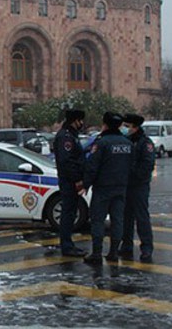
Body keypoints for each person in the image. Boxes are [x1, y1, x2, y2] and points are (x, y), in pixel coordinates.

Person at [81, 112, 133, 265]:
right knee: (117, 220)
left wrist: (86, 184)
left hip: (103, 188)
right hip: (121, 187)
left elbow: (92, 166)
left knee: (98, 220)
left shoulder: (102, 143)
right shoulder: (127, 143)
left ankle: (97, 253)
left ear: (105, 124)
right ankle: (114, 252)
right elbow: (132, 166)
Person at [119, 114, 156, 263]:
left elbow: (147, 165)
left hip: (139, 186)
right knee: (126, 217)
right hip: (126, 185)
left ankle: (146, 247)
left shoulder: (145, 143)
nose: (125, 128)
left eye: (127, 126)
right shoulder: (126, 142)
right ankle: (126, 245)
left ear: (135, 127)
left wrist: (133, 176)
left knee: (141, 217)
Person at [53, 109, 87, 257]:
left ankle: (68, 244)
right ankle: (66, 246)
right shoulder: (66, 137)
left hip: (71, 181)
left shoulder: (72, 136)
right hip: (69, 182)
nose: (82, 123)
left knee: (71, 213)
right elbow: (66, 161)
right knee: (68, 214)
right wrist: (77, 179)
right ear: (75, 120)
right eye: (80, 120)